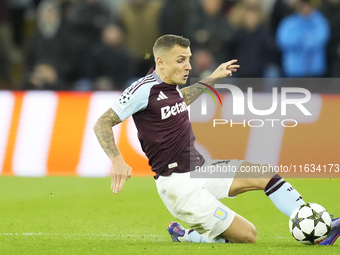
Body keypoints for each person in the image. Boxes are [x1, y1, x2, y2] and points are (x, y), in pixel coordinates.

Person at [93, 34, 340, 244]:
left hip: (201, 169)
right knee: (248, 235)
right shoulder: (142, 89)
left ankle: (318, 226)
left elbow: (181, 99)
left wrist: (214, 77)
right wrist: (117, 159)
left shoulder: (170, 86)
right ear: (161, 61)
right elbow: (102, 122)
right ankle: (187, 235)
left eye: (188, 59)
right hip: (178, 187)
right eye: (181, 60)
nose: (188, 65)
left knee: (263, 172)